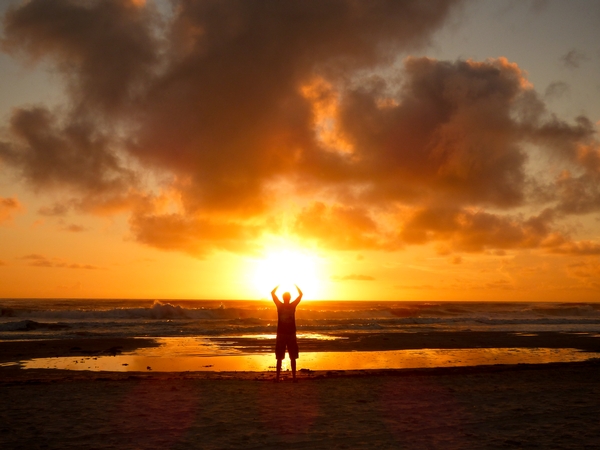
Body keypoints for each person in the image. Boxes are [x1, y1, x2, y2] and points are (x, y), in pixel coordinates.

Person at [271, 284, 302, 382]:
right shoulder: (292, 305)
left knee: (280, 357)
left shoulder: (280, 305)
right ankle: (294, 378)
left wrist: (278, 286)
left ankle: (277, 378)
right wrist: (296, 286)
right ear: (289, 298)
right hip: (290, 334)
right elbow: (301, 294)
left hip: (282, 334)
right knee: (292, 356)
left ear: (283, 298)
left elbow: (272, 293)